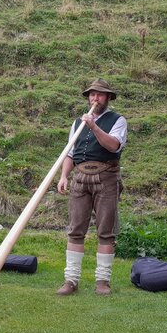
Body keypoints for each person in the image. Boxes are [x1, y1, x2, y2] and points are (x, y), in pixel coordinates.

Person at [55, 78, 127, 296]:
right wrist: (64, 176)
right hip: (80, 177)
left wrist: (94, 127)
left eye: (100, 95)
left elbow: (113, 146)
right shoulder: (77, 122)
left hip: (106, 177)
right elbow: (70, 152)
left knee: (105, 231)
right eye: (92, 94)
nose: (95, 98)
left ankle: (102, 281)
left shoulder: (118, 120)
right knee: (75, 229)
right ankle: (71, 280)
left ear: (108, 98)